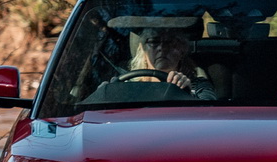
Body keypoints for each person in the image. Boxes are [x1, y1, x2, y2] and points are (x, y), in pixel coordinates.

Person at [84, 28, 218, 105]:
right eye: (154, 42)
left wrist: (189, 94)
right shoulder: (122, 86)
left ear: (182, 50)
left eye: (170, 43)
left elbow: (210, 113)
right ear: (143, 50)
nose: (162, 48)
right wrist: (102, 94)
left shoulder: (198, 85)